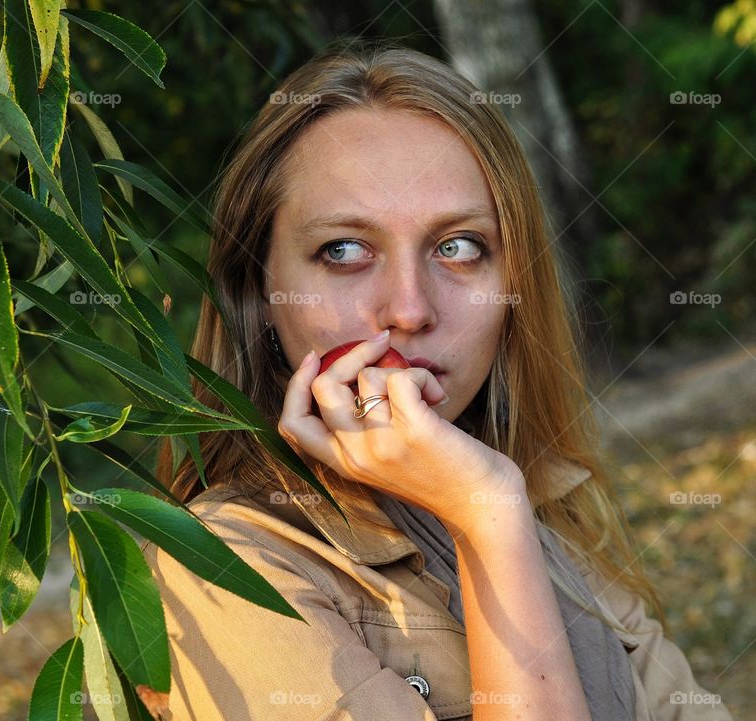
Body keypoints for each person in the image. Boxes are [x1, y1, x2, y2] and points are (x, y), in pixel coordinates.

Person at [143, 41, 734, 721]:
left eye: (457, 247)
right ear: (260, 292)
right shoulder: (221, 570)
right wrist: (485, 512)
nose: (410, 309)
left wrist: (493, 514)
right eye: (343, 250)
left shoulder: (551, 522)